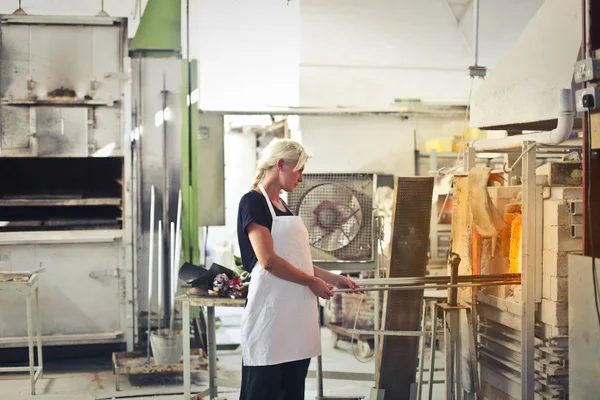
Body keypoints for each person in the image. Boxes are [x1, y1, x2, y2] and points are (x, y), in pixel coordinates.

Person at [237, 138, 360, 400]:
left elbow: (296, 259)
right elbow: (268, 260)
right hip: (270, 316)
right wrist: (310, 282)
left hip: (296, 316)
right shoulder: (253, 202)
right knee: (263, 389)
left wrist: (332, 278)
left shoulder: (283, 206)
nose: (301, 179)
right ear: (281, 164)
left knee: (292, 390)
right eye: (300, 170)